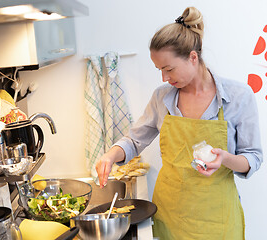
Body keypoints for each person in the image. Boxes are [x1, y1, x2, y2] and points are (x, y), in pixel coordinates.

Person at [95, 6, 263, 240]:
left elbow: (252, 157)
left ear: (193, 57)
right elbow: (134, 140)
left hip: (218, 218)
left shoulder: (238, 97)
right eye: (159, 70)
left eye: (168, 69)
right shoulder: (162, 97)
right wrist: (111, 155)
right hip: (170, 215)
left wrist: (225, 159)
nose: (164, 78)